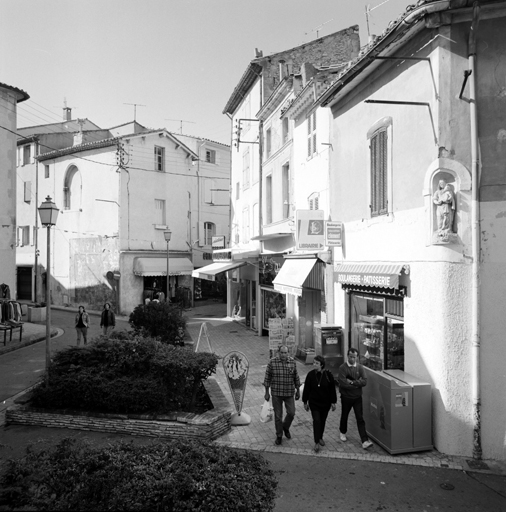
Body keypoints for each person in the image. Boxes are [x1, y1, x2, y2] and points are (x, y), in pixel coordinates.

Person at [263, 345, 301, 445]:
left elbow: (296, 377)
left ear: (288, 353)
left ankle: (285, 427)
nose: (284, 355)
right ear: (278, 353)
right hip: (276, 393)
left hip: (289, 392)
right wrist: (266, 392)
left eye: (285, 353)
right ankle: (279, 435)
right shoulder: (272, 362)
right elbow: (267, 378)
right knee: (278, 416)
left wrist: (298, 390)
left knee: (291, 413)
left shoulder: (292, 362)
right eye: (282, 353)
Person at [337, 348, 374, 449]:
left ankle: (364, 440)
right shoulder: (342, 368)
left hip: (357, 397)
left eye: (354, 357)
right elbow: (343, 383)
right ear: (347, 356)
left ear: (357, 357)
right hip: (346, 397)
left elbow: (365, 381)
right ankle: (342, 432)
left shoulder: (360, 368)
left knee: (360, 418)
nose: (352, 359)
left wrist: (353, 382)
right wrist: (358, 384)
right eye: (350, 357)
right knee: (345, 415)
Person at [302, 355, 337, 453]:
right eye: (314, 363)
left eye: (317, 363)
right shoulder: (310, 375)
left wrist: (333, 402)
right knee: (316, 420)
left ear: (321, 364)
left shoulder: (328, 375)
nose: (314, 365)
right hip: (314, 403)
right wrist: (305, 402)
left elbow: (332, 389)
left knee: (322, 420)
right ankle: (316, 442)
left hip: (325, 403)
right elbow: (306, 389)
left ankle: (320, 436)